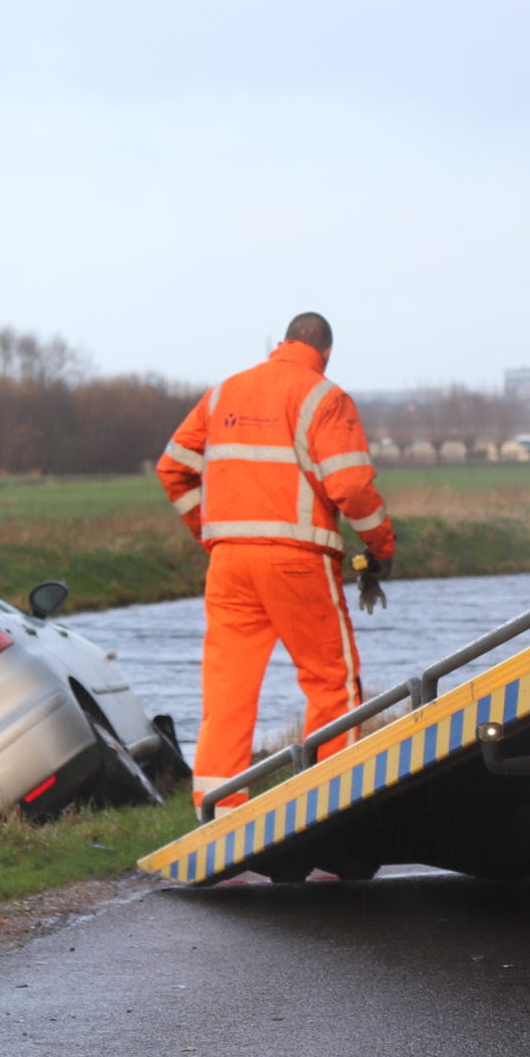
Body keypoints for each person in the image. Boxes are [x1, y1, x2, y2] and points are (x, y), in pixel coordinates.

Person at [156, 312, 396, 813]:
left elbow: (173, 468)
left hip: (229, 565)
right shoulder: (324, 397)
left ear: (283, 342)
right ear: (325, 351)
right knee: (332, 683)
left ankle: (218, 811)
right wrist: (382, 548)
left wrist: (213, 534)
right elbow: (350, 487)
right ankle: (332, 809)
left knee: (227, 691)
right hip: (297, 562)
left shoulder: (223, 393)